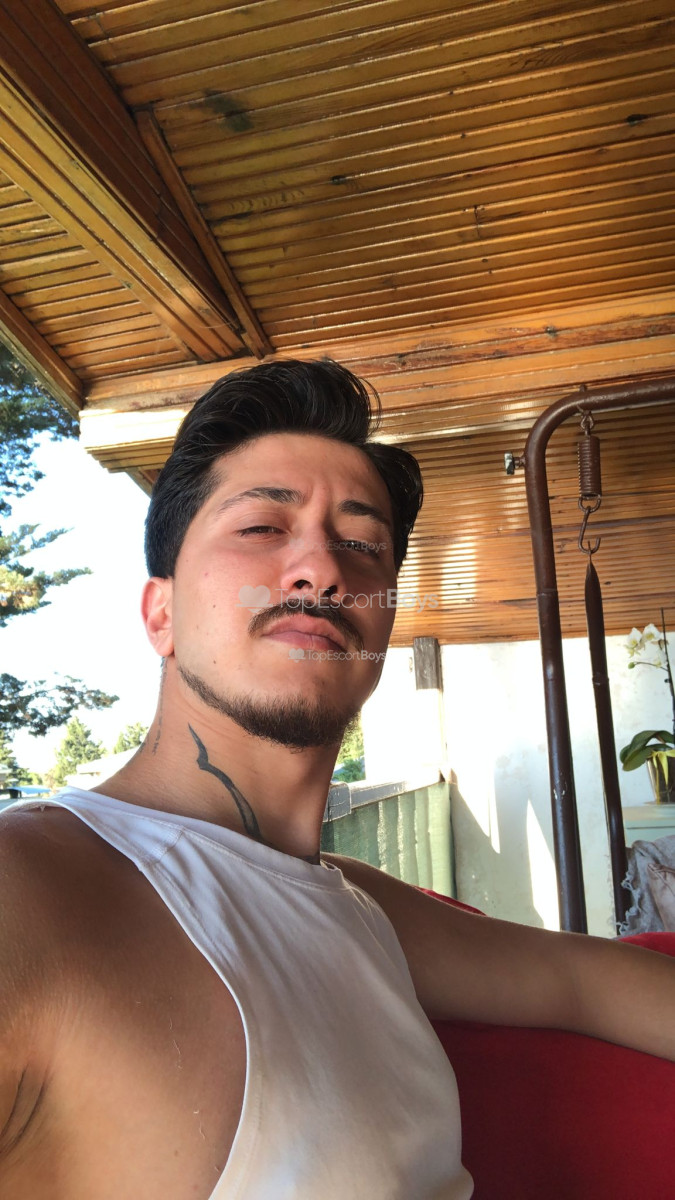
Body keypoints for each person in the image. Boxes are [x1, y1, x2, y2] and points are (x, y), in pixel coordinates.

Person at [0, 359, 673, 1199]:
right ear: (161, 614)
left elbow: (584, 982)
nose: (322, 570)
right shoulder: (33, 890)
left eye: (362, 545)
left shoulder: (358, 905)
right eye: (261, 527)